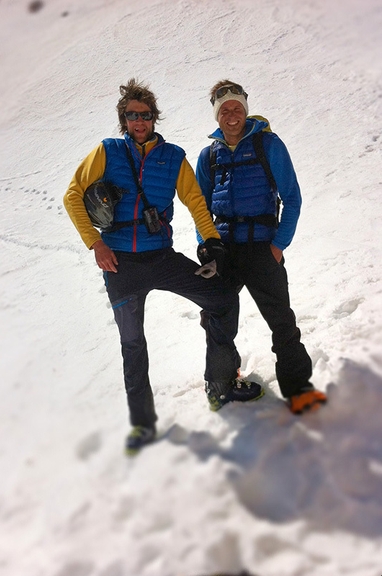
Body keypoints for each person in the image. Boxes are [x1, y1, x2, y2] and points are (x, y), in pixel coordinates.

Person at [63, 79, 263, 455]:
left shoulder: (172, 156)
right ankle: (142, 424)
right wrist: (97, 243)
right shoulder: (107, 151)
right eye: (132, 115)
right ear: (124, 119)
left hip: (160, 257)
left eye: (146, 114)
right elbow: (73, 194)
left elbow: (195, 202)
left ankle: (220, 382)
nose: (140, 121)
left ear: (154, 117)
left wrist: (212, 242)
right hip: (120, 264)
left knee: (221, 297)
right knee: (132, 343)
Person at [195, 80, 327, 415]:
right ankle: (221, 385)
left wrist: (279, 245)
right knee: (218, 318)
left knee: (281, 320)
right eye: (224, 110)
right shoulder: (209, 155)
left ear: (246, 109)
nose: (232, 114)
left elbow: (293, 198)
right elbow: (200, 208)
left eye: (237, 107)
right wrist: (206, 247)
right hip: (223, 250)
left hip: (262, 248)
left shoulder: (268, 145)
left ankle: (299, 391)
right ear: (216, 115)